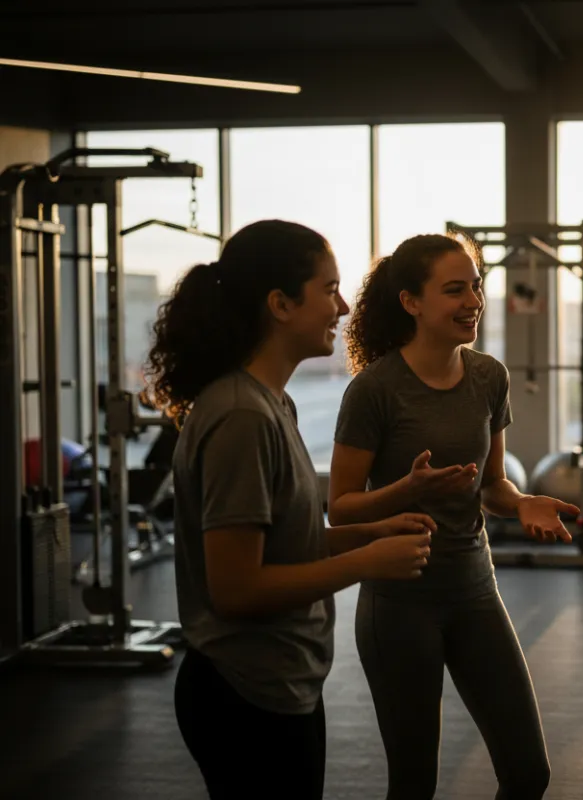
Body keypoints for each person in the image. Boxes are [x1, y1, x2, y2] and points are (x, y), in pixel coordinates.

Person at [144, 219, 437, 800]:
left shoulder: (272, 403)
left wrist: (370, 534)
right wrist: (368, 563)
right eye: (329, 289)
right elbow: (237, 588)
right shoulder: (242, 417)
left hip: (280, 684)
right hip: (242, 693)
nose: (346, 305)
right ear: (280, 303)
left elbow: (286, 543)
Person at [327, 233, 578, 800]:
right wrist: (406, 488)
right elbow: (339, 509)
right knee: (414, 783)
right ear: (412, 302)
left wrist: (521, 502)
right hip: (399, 604)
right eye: (454, 289)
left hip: (474, 593)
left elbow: (492, 486)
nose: (473, 300)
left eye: (476, 286)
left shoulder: (489, 376)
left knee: (528, 773)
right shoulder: (374, 390)